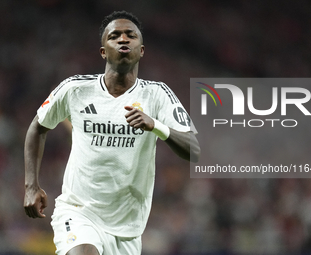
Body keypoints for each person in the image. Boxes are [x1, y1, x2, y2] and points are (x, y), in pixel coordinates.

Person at [23, 10, 200, 255]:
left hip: (126, 227)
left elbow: (195, 150)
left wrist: (156, 126)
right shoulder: (75, 89)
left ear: (142, 50)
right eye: (115, 36)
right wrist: (31, 185)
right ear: (103, 51)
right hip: (78, 211)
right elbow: (38, 127)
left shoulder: (157, 95)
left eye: (130, 35)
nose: (123, 39)